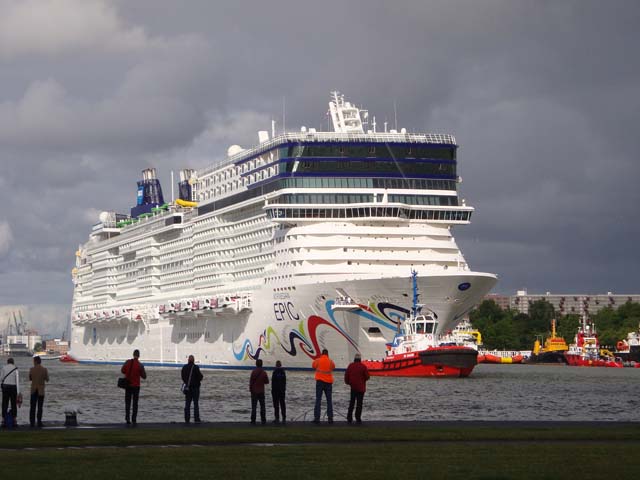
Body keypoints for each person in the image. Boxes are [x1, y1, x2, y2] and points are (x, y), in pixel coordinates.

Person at [121, 349, 146, 426]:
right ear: (139, 356)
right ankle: (134, 419)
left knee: (127, 403)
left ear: (133, 354)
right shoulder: (140, 365)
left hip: (128, 385)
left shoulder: (127, 362)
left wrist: (128, 373)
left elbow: (122, 370)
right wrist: (141, 371)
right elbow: (144, 376)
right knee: (135, 404)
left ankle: (127, 418)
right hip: (136, 386)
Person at [344, 353, 370, 424]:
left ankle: (349, 418)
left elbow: (346, 375)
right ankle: (358, 418)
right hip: (361, 388)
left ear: (354, 359)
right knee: (359, 403)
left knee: (352, 402)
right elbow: (367, 377)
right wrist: (363, 380)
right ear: (360, 359)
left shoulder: (350, 366)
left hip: (353, 387)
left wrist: (348, 382)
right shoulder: (363, 366)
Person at [312, 348, 335, 424]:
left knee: (318, 399)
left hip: (319, 382)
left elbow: (313, 366)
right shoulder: (330, 361)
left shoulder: (318, 360)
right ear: (327, 354)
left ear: (322, 354)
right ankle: (330, 418)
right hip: (328, 383)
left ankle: (317, 418)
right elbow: (333, 367)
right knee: (329, 400)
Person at [181, 355, 203, 423]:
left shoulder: (184, 367)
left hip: (187, 388)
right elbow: (200, 377)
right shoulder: (196, 367)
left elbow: (182, 377)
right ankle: (196, 419)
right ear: (193, 360)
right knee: (195, 404)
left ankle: (187, 419)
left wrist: (186, 382)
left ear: (188, 360)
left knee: (187, 404)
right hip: (195, 388)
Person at [29, 356, 49, 428]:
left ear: (36, 361)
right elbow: (47, 379)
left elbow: (30, 378)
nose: (33, 362)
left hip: (33, 390)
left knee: (32, 407)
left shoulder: (31, 369)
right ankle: (39, 422)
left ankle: (32, 423)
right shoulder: (44, 369)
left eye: (33, 361)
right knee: (40, 407)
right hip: (41, 390)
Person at [249, 358, 269, 425]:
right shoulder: (264, 372)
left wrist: (250, 389)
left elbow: (251, 382)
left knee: (254, 407)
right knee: (262, 406)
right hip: (261, 391)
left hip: (254, 391)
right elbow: (267, 382)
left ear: (256, 364)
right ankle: (263, 420)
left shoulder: (253, 372)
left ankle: (253, 420)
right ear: (262, 364)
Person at [1, 358, 20, 428]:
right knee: (13, 404)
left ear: (7, 362)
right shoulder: (16, 369)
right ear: (13, 362)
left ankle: (3, 420)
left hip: (5, 387)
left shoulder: (4, 368)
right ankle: (14, 420)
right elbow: (17, 381)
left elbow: (1, 378)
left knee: (4, 404)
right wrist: (18, 392)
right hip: (13, 388)